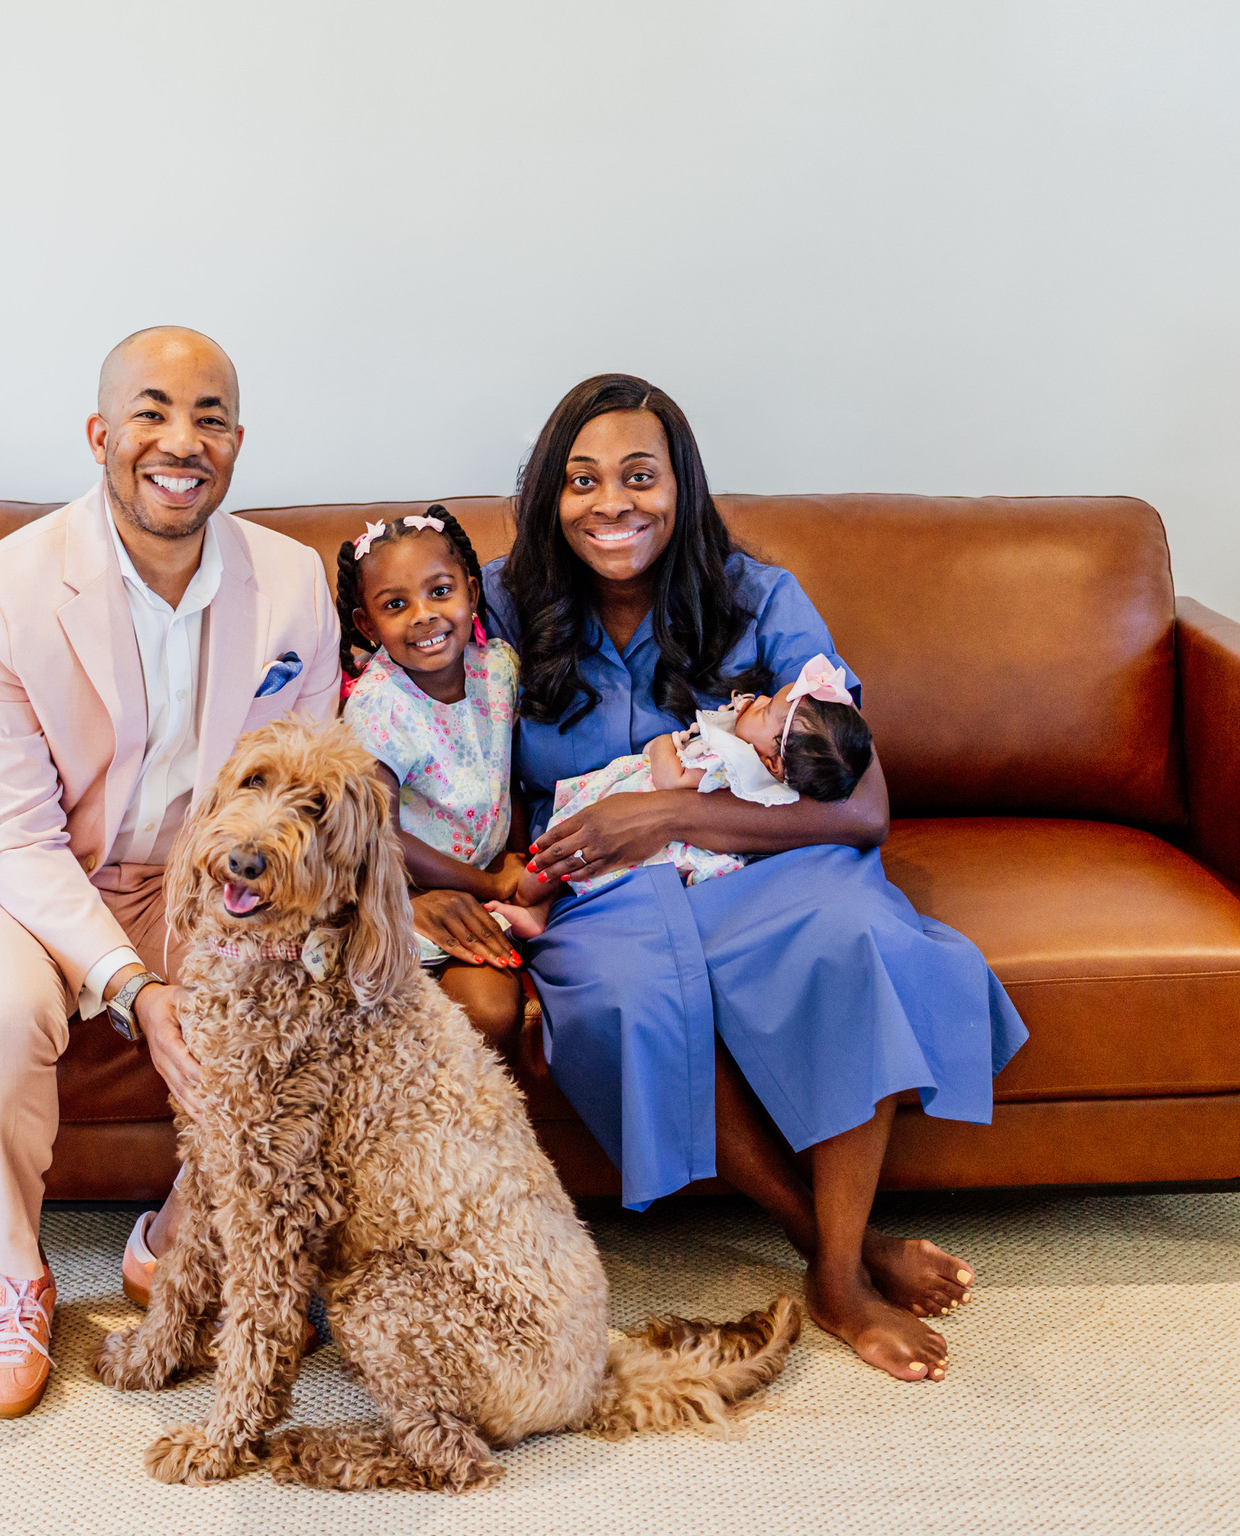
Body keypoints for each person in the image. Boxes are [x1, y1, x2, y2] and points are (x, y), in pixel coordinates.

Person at [483, 373, 1028, 1385]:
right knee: (621, 1005)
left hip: (759, 859)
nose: (613, 504)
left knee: (852, 938)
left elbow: (862, 805)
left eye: (640, 476)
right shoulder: (501, 602)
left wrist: (668, 808)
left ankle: (838, 1273)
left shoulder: (761, 598)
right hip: (601, 892)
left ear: (681, 487)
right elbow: (414, 724)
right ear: (549, 499)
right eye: (583, 480)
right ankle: (833, 1247)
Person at [0, 326, 340, 1419]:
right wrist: (133, 985)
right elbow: (17, 837)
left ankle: (174, 1237)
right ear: (101, 435)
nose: (182, 440)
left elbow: (298, 786)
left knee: (292, 999)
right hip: (4, 871)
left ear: (237, 442)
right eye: (154, 410)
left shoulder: (294, 584)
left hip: (200, 875)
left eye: (210, 416)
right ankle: (16, 1276)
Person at [335, 506, 528, 1043]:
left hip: (486, 885)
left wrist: (516, 856)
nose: (423, 615)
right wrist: (490, 883)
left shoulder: (498, 668)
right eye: (396, 605)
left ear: (470, 592)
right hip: (401, 892)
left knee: (493, 1009)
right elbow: (379, 835)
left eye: (440, 592)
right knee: (473, 1014)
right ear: (367, 625)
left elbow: (504, 774)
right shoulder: (378, 706)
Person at [502, 656, 872, 918]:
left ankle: (525, 900)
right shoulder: (771, 779)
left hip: (651, 851)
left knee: (553, 862)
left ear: (775, 763)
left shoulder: (733, 766)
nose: (757, 699)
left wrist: (663, 743)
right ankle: (537, 909)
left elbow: (672, 781)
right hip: (659, 863)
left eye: (763, 710)